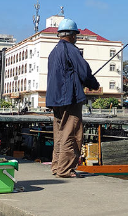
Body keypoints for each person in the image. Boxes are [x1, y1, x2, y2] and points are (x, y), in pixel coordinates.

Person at [46, 18, 100, 178]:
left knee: (60, 133)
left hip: (55, 100)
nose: (76, 38)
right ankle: (65, 169)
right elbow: (84, 71)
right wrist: (93, 84)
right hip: (70, 98)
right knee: (72, 132)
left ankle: (57, 167)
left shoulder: (53, 52)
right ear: (72, 35)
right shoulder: (71, 49)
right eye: (76, 35)